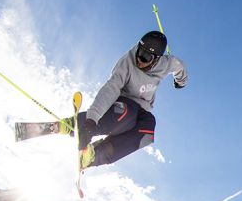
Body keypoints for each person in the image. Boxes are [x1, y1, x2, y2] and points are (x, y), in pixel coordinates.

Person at [75, 31, 188, 170]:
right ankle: (80, 125)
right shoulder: (127, 62)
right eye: (139, 52)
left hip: (143, 108)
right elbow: (111, 88)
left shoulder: (167, 63)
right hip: (124, 101)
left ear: (157, 59)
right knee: (127, 114)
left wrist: (180, 82)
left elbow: (180, 66)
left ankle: (93, 156)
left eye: (146, 57)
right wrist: (91, 120)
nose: (140, 59)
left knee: (147, 130)